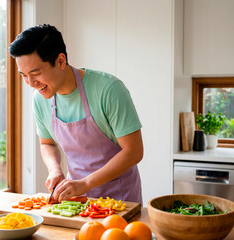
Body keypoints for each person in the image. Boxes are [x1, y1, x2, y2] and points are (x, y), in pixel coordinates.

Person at [9, 24, 143, 204]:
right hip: (76, 199)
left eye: (35, 73)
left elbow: (133, 152)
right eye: (23, 75)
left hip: (120, 200)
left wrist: (85, 183)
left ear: (61, 61)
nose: (30, 83)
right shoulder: (40, 99)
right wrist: (54, 169)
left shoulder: (109, 90)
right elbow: (47, 144)